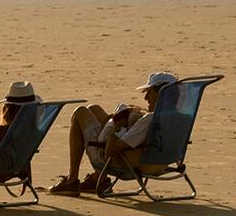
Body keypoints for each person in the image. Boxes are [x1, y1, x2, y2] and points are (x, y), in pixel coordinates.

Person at [49, 73, 177, 194]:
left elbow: (111, 150)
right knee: (94, 108)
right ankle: (97, 178)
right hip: (160, 162)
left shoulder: (149, 120)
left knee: (80, 112)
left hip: (122, 162)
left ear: (161, 94)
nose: (145, 97)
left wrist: (118, 126)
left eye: (149, 92)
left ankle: (73, 179)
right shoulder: (180, 117)